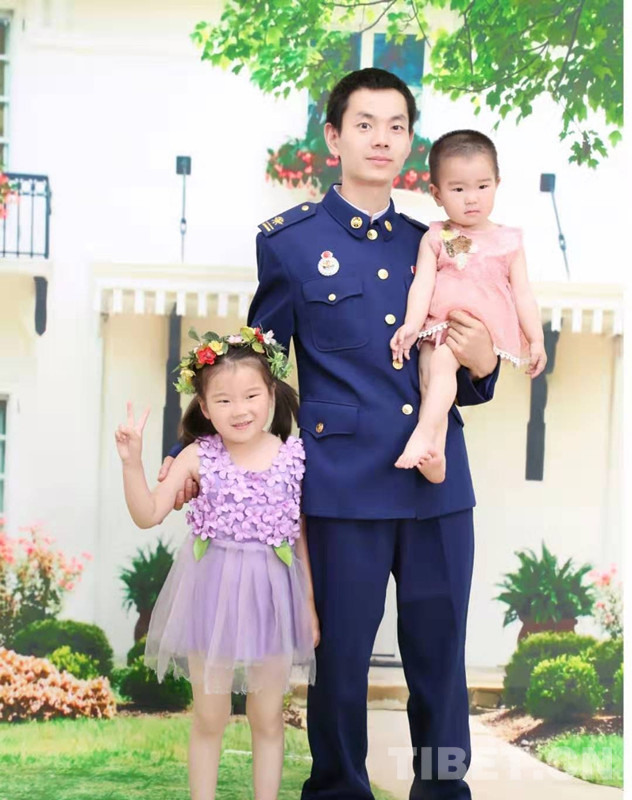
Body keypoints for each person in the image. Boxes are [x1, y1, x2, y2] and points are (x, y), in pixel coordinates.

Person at [161, 68, 500, 800]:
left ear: (410, 142)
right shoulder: (290, 244)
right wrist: (197, 446)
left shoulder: (436, 242)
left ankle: (444, 789)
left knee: (440, 664)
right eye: (365, 124)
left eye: (397, 126)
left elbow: (464, 366)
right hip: (343, 487)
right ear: (334, 136)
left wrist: (484, 361)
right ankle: (340, 790)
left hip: (438, 487)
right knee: (340, 662)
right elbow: (258, 365)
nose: (382, 139)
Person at [115, 328, 318, 800]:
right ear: (204, 407)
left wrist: (308, 606)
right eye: (223, 400)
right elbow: (148, 513)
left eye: (251, 395)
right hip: (211, 593)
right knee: (210, 716)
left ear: (272, 394)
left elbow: (302, 538)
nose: (239, 409)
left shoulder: (295, 456)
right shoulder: (196, 456)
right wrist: (131, 463)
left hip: (273, 598)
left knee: (268, 718)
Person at [390, 129, 547, 482]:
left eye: (482, 186)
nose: (471, 198)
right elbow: (422, 285)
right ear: (437, 194)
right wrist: (412, 325)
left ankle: (423, 434)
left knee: (443, 362)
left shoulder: (508, 241)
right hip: (437, 324)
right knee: (429, 377)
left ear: (497, 184)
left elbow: (523, 294)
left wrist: (536, 340)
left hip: (478, 328)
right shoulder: (435, 236)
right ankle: (436, 458)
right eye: (458, 189)